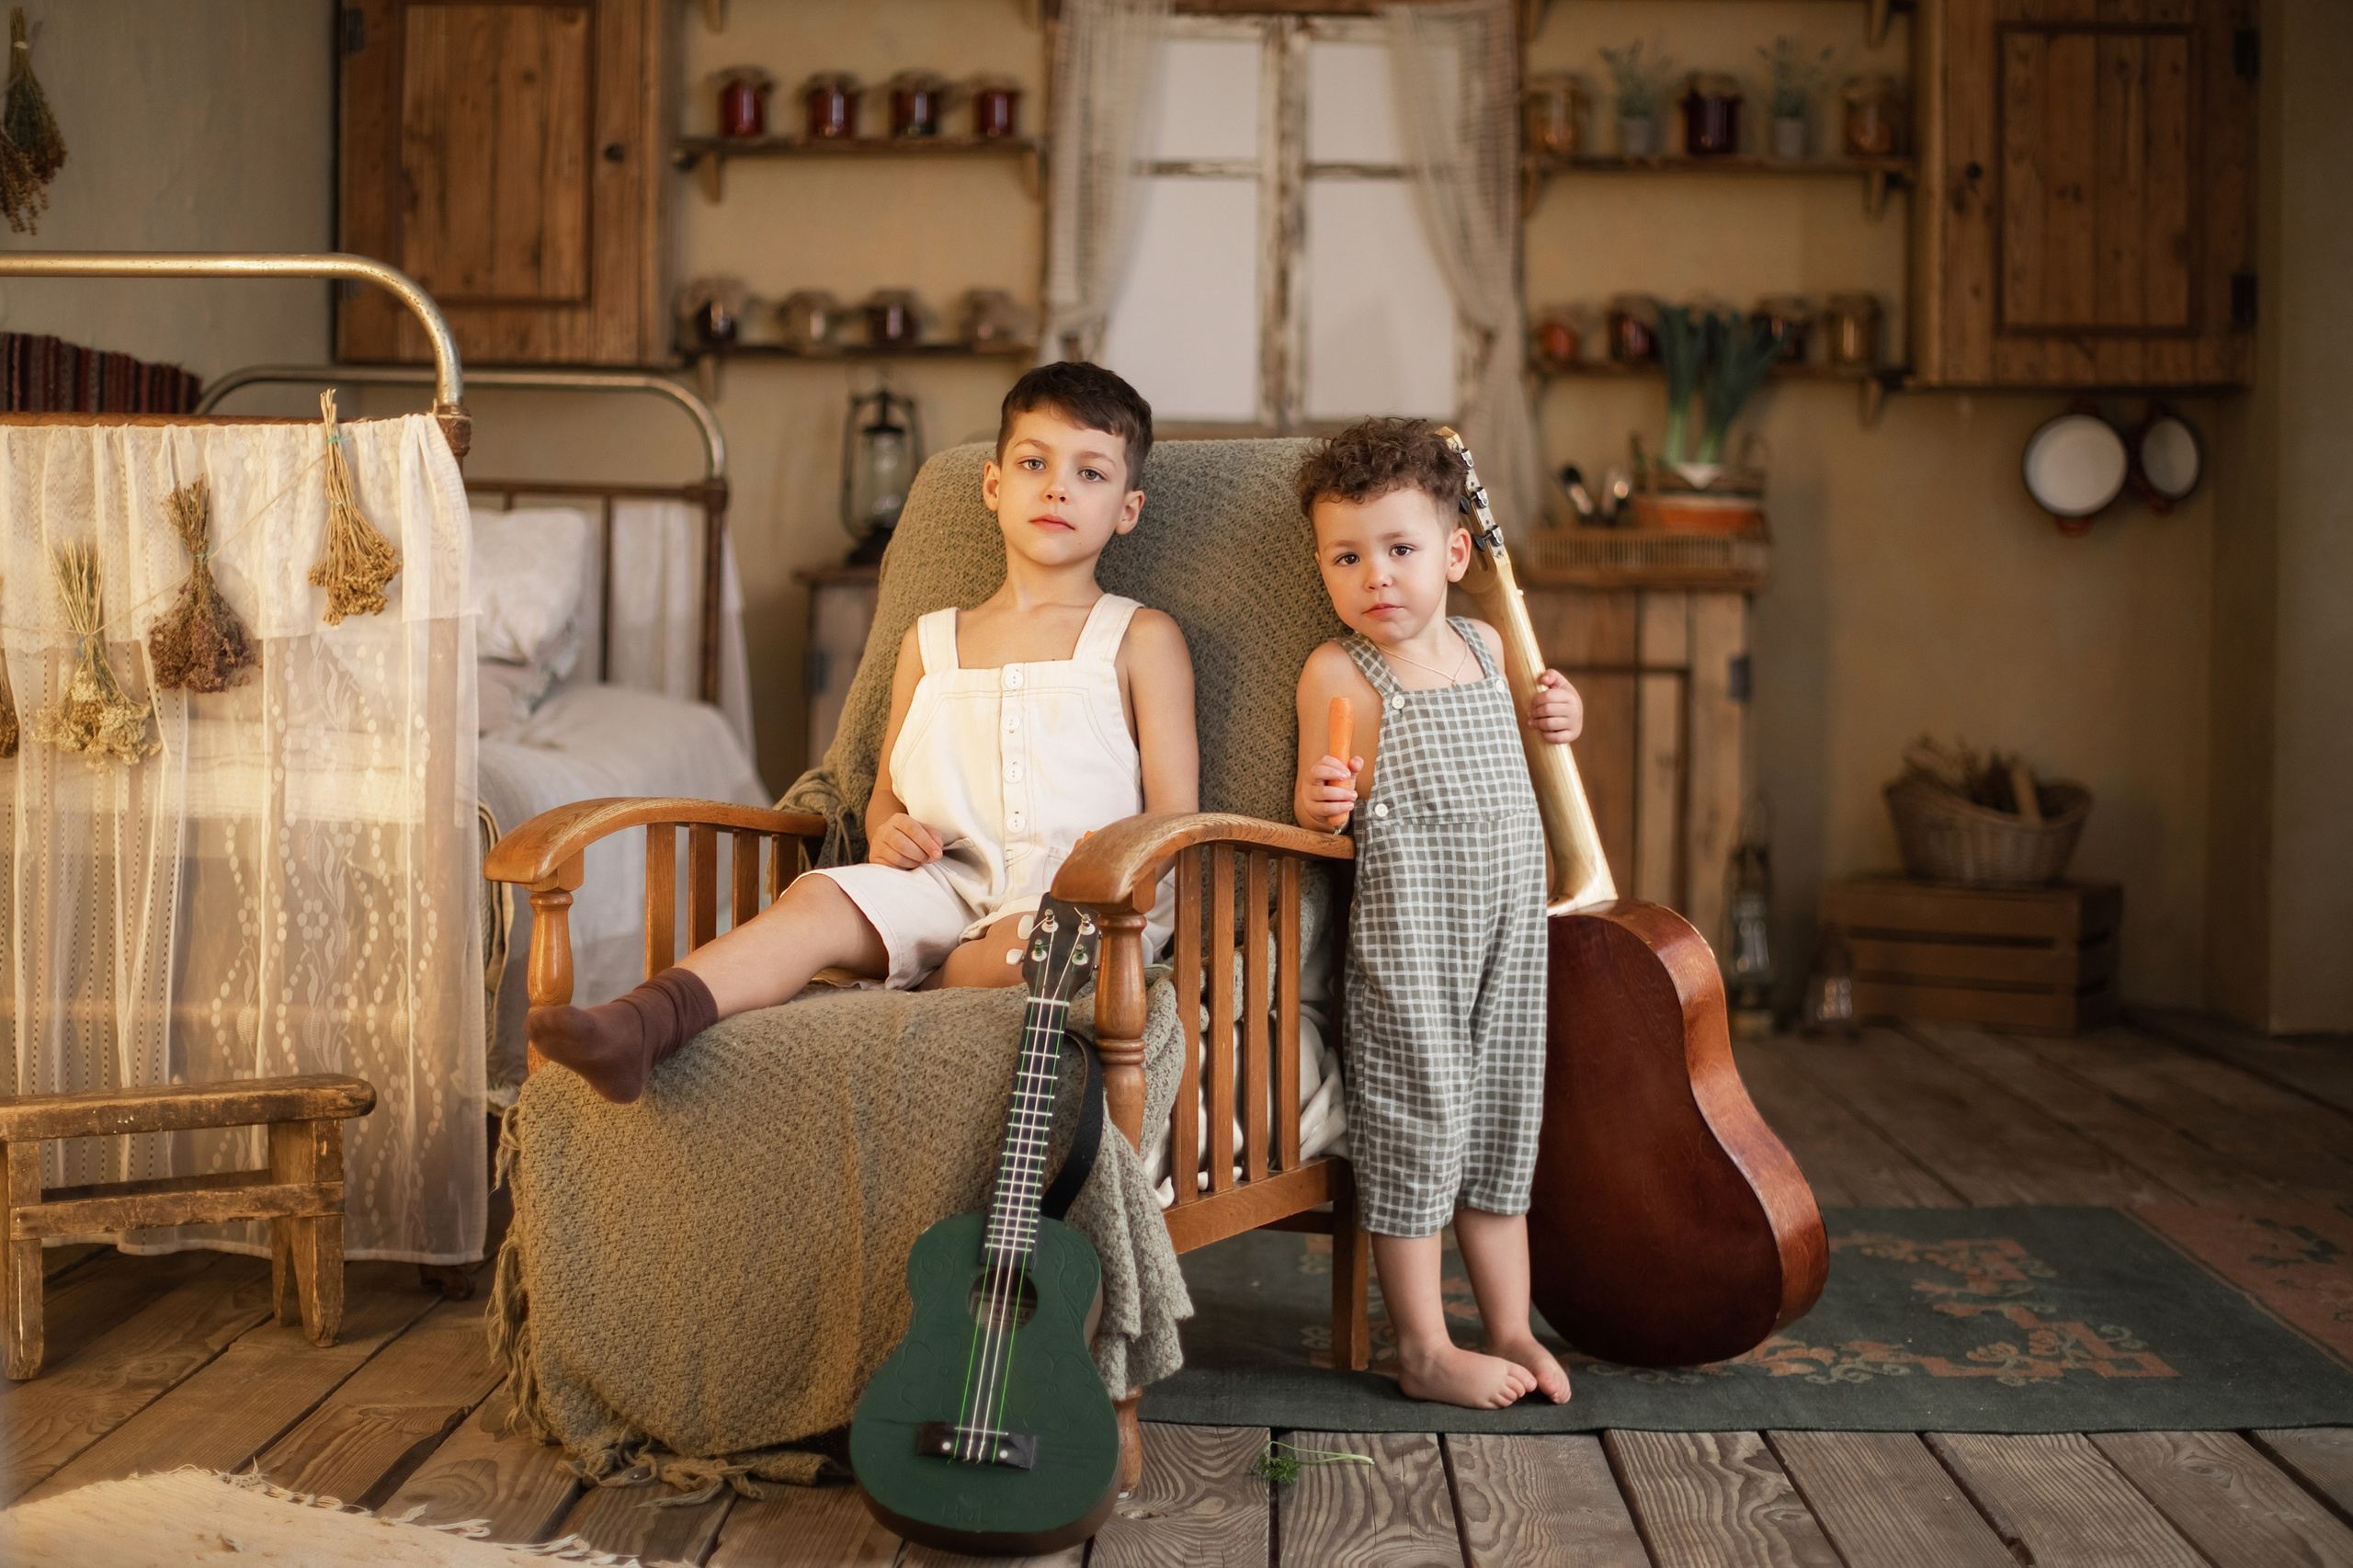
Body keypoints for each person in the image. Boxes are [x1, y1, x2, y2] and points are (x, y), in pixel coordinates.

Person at [529, 362, 1197, 1104]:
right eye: (1034, 463)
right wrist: (888, 835)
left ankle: (924, 981)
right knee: (815, 899)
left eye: (1091, 473)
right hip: (946, 883)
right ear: (993, 486)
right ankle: (643, 1024)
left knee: (1032, 949)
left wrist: (1110, 866)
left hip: (1077, 906)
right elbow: (885, 796)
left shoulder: (1139, 638)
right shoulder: (931, 641)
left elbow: (1173, 819)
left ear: (1127, 508)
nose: (1058, 487)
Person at [1290, 418, 1583, 1409]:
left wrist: (1560, 712)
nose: (1375, 575)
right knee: (1414, 1134)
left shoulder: (1487, 641)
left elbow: (1537, 730)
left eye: (1401, 549)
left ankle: (1508, 1323)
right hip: (1410, 948)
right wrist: (1324, 800)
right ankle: (1421, 1342)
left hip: (1509, 934)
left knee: (1503, 1127)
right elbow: (1314, 806)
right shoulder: (1338, 671)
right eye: (1347, 555)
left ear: (1456, 553)